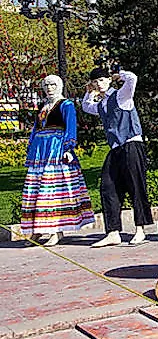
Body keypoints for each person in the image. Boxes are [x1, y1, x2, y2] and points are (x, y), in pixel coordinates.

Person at [82, 66, 153, 247]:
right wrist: (88, 92)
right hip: (116, 149)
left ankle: (140, 229)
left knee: (136, 185)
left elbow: (133, 79)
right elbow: (86, 106)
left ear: (108, 80)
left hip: (131, 144)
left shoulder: (122, 96)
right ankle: (113, 232)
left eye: (102, 80)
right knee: (108, 186)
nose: (100, 84)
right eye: (96, 82)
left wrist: (118, 75)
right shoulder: (102, 104)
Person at [21, 75, 94, 246]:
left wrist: (68, 148)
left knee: (51, 191)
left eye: (53, 84)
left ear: (59, 86)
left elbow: (70, 126)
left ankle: (56, 230)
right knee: (36, 190)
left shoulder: (66, 105)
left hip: (56, 149)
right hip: (40, 152)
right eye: (46, 85)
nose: (49, 88)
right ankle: (37, 230)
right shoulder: (43, 106)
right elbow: (35, 128)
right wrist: (31, 147)